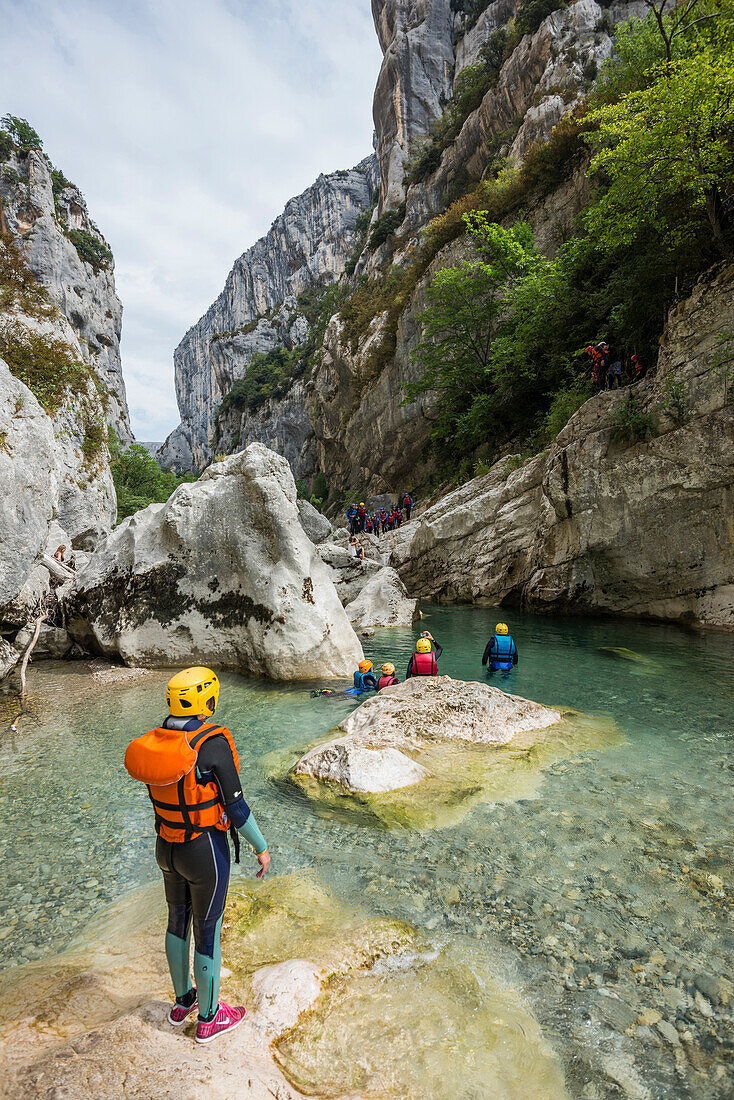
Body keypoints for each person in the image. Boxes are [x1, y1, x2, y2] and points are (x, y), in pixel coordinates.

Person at [124, 667, 270, 1044]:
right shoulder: (211, 743)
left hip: (166, 847)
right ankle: (209, 1018)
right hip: (203, 851)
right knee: (208, 933)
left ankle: (182, 1002)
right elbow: (237, 809)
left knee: (177, 921)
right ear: (208, 699)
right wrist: (261, 846)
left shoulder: (159, 739)